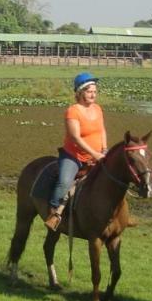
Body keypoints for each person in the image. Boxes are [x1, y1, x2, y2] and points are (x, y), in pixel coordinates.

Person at [45, 72, 107, 231]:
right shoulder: (73, 111)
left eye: (95, 91)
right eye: (89, 91)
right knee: (64, 182)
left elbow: (102, 130)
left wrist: (104, 150)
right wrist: (95, 154)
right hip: (74, 156)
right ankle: (54, 213)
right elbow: (75, 138)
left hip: (97, 154)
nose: (93, 94)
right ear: (80, 92)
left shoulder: (98, 109)